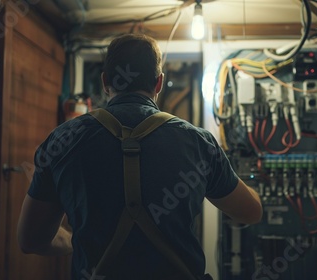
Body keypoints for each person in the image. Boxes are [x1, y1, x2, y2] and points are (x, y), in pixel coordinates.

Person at [17, 34, 262, 280]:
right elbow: (251, 212)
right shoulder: (198, 142)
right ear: (159, 83)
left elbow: (30, 241)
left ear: (105, 82)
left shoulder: (63, 140)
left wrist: (74, 240)